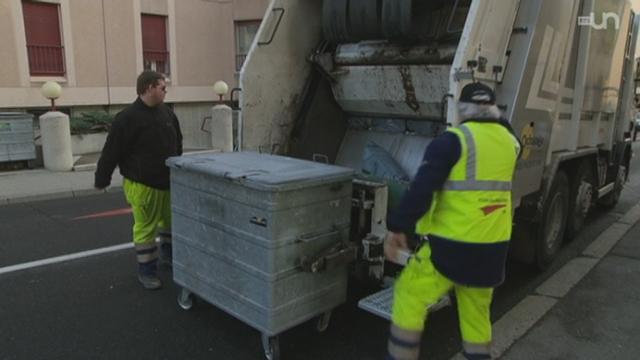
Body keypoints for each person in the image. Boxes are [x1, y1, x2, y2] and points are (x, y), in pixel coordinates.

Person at [384, 82, 521, 360]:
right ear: (494, 109)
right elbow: (505, 130)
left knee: (409, 296)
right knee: (475, 317)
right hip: (492, 250)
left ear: (462, 109)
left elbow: (421, 190)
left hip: (450, 248)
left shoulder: (451, 142)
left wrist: (398, 227)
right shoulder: (511, 144)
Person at [95, 70, 183, 290]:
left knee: (170, 223)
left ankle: (168, 257)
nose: (165, 91)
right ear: (149, 88)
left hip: (167, 182)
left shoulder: (168, 114)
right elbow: (111, 151)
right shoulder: (127, 118)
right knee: (145, 228)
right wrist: (102, 178)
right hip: (142, 185)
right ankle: (147, 271)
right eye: (163, 87)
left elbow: (178, 142)